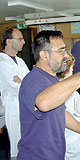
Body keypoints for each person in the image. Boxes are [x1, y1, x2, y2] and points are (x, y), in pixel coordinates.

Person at [17, 30, 80, 160]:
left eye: (65, 50)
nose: (66, 55)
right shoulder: (33, 80)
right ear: (44, 55)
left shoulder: (52, 79)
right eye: (61, 51)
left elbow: (61, 113)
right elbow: (43, 103)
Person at [0, 27, 29, 158]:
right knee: (17, 149)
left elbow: (31, 82)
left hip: (25, 107)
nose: (23, 42)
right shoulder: (2, 63)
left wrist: (22, 81)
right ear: (8, 41)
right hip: (13, 109)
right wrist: (24, 83)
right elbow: (14, 87)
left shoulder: (21, 61)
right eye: (20, 39)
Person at [57, 53, 80, 160]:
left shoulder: (67, 86)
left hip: (76, 134)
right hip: (70, 136)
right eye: (72, 69)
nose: (73, 71)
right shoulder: (61, 89)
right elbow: (63, 116)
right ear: (66, 70)